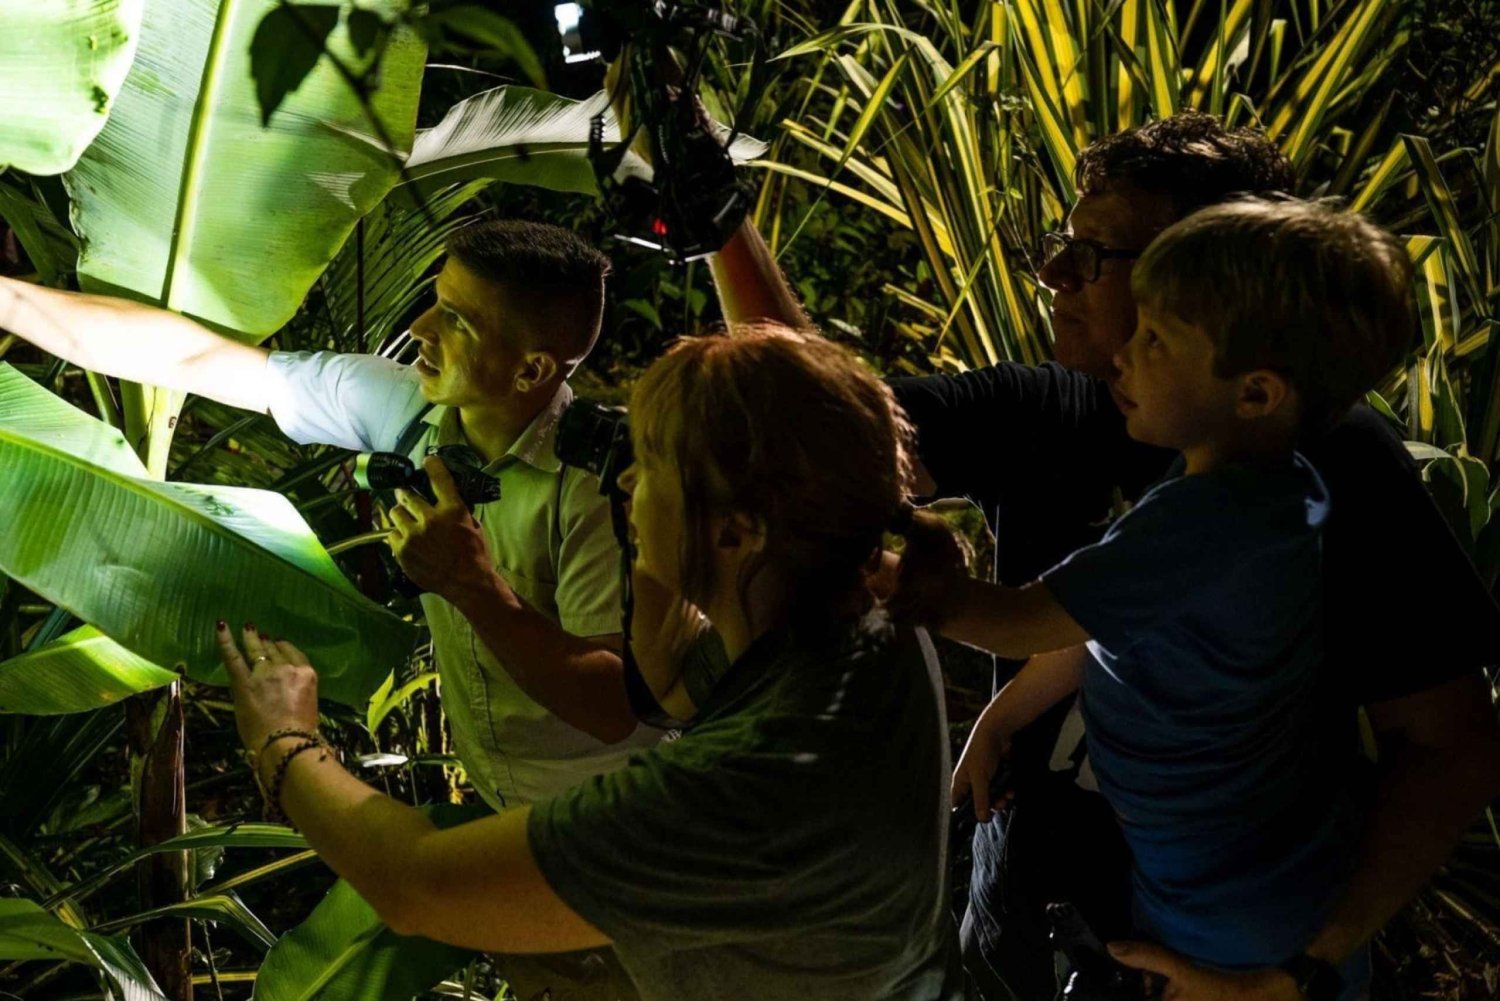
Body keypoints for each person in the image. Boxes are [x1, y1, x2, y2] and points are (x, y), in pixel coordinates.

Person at [711, 112, 1500, 1001]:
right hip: (1038, 924)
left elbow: (1452, 745)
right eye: (1062, 243)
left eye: (1095, 254)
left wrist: (1295, 973)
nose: (1053, 274)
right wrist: (719, 223)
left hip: (1228, 953)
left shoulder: (1338, 464)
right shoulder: (1051, 411)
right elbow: (813, 432)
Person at [0, 219, 658, 999]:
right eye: (435, 301)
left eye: (455, 319)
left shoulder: (596, 492)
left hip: (624, 849)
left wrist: (477, 590)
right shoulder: (407, 409)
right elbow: (196, 356)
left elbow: (614, 702)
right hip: (509, 822)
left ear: (532, 370)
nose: (420, 329)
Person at [218, 325, 966, 1001]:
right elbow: (665, 688)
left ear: (737, 534)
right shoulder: (863, 616)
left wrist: (284, 738)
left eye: (650, 467)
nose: (629, 483)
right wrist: (654, 548)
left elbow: (419, 887)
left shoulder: (737, 789)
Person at [901, 197, 1416, 999]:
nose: (1122, 358)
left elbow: (1023, 621)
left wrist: (915, 578)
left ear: (1255, 392)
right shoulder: (1266, 482)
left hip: (1226, 905)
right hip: (1256, 864)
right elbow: (1096, 630)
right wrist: (1001, 719)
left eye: (1155, 341)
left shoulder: (1205, 522)